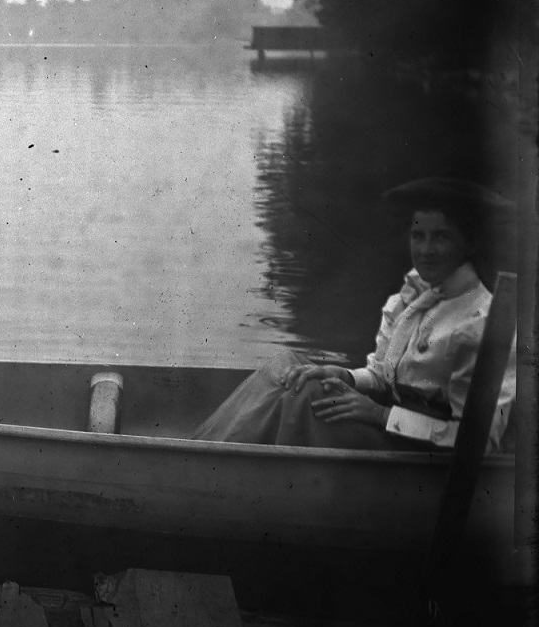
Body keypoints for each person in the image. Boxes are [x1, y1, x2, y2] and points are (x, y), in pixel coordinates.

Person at [190, 177, 516, 451]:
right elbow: (382, 376)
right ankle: (199, 454)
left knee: (306, 398)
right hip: (386, 426)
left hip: (415, 459)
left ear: (469, 244)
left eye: (441, 237)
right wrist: (344, 376)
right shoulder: (415, 297)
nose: (426, 250)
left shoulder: (479, 321)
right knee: (288, 367)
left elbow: (481, 442)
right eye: (419, 236)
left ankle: (210, 470)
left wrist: (381, 416)